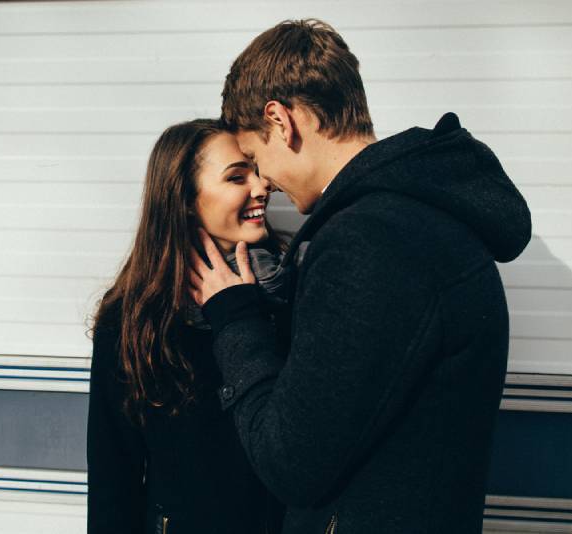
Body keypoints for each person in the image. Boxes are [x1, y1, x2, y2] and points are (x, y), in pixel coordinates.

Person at [188, 19, 532, 534]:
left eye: (257, 158)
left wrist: (236, 320)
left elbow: (291, 463)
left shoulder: (369, 242)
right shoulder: (426, 217)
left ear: (280, 120)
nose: (266, 182)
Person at [87, 119, 287, 534]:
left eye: (256, 171)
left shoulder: (293, 291)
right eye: (237, 177)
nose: (262, 186)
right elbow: (113, 476)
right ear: (185, 201)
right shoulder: (133, 316)